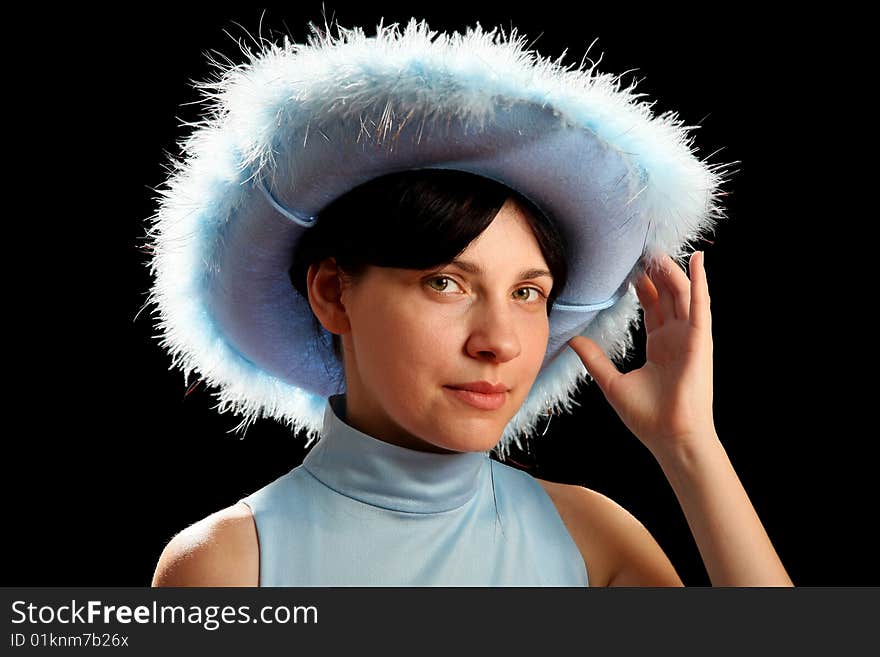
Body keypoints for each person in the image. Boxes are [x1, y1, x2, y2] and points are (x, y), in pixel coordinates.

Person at [147, 17, 792, 586]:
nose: (500, 341)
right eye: (445, 283)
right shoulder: (230, 565)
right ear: (331, 292)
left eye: (527, 293)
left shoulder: (590, 539)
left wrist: (688, 445)